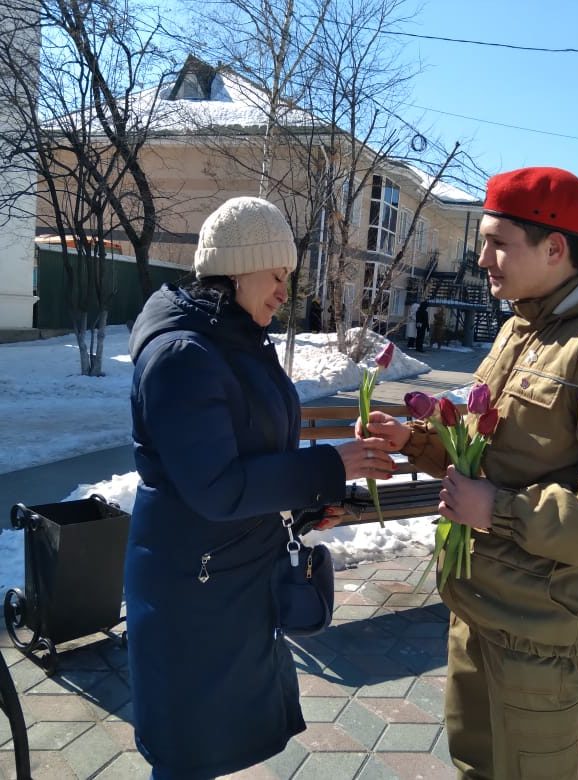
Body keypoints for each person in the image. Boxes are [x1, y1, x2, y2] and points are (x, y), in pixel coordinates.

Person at [361, 167, 578, 779]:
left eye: (499, 242)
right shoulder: (520, 329)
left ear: (555, 248)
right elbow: (487, 446)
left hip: (540, 634)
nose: (483, 258)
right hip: (478, 606)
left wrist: (500, 510)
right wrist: (416, 440)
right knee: (475, 768)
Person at [125, 196, 395, 780]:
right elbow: (216, 487)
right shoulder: (183, 355)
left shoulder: (234, 337)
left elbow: (251, 456)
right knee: (188, 750)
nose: (283, 291)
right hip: (192, 588)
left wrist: (302, 507)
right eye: (277, 276)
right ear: (240, 267)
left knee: (211, 739)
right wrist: (331, 465)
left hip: (231, 574)